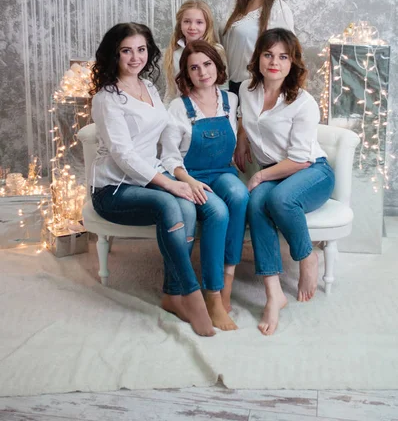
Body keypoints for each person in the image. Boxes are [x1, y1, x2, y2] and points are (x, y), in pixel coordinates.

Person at [89, 22, 215, 337]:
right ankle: (193, 296)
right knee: (169, 204)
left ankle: (172, 294)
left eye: (141, 49)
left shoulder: (148, 87)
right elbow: (124, 155)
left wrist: (179, 172)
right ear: (113, 54)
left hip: (149, 177)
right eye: (126, 50)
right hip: (114, 189)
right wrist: (170, 183)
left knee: (187, 207)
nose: (135, 57)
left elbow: (158, 137)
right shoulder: (107, 98)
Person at [237, 28, 335, 336]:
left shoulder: (303, 103)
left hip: (311, 172)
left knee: (278, 199)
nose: (274, 62)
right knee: (255, 203)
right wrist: (242, 139)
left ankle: (307, 257)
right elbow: (245, 118)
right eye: (268, 55)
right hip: (275, 171)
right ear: (258, 58)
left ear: (292, 62)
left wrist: (261, 174)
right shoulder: (246, 91)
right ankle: (273, 293)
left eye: (283, 56)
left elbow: (301, 160)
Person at [161, 41, 249, 331]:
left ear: (217, 65)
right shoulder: (179, 107)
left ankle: (227, 282)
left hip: (221, 171)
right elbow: (169, 157)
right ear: (186, 74)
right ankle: (212, 295)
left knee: (239, 194)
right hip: (189, 174)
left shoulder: (230, 101)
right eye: (194, 67)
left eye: (207, 64)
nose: (202, 72)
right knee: (218, 212)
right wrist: (188, 181)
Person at [221, 0, 294, 97]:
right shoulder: (235, 4)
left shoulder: (279, 9)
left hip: (256, 89)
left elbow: (287, 56)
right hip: (226, 87)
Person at [163, 0, 227, 104]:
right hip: (182, 110)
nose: (192, 27)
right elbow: (170, 91)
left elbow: (224, 86)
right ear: (180, 24)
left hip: (210, 109)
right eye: (187, 21)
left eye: (199, 22)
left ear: (207, 25)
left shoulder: (217, 50)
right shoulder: (172, 54)